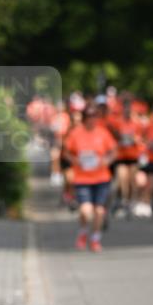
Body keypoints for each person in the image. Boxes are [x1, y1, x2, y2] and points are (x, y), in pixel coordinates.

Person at [63, 103, 118, 252]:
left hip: (101, 178)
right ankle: (83, 232)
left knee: (99, 211)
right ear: (84, 118)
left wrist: (106, 160)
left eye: (95, 117)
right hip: (82, 178)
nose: (92, 120)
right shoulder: (76, 133)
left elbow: (114, 151)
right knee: (86, 211)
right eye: (89, 117)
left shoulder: (103, 133)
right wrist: (75, 161)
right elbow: (66, 152)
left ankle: (95, 238)